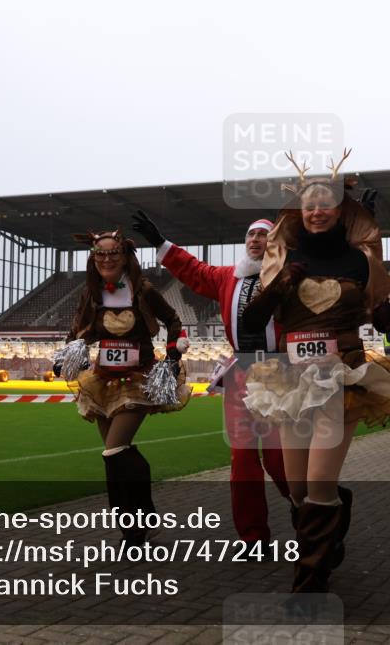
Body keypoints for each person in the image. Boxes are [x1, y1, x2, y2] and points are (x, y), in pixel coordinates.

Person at [240, 149, 390, 593]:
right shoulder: (283, 258)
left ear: (340, 209)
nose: (316, 211)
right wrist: (279, 286)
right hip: (293, 382)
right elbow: (253, 323)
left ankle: (310, 583)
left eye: (325, 203)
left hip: (342, 377)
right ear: (298, 209)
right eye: (309, 204)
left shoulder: (358, 261)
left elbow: (378, 310)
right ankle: (328, 530)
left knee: (318, 481)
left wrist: (389, 317)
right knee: (297, 488)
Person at [130, 210, 291, 544]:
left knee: (279, 460)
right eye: (250, 235)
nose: (255, 240)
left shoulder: (289, 277)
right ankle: (253, 538)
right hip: (241, 375)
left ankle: (305, 507)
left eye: (263, 235)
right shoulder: (226, 277)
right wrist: (160, 242)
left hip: (280, 374)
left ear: (275, 244)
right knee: (242, 460)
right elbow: (192, 270)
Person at [64, 228, 191, 545]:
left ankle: (142, 520)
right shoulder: (92, 293)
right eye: (100, 254)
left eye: (113, 253)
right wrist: (68, 354)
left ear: (125, 256)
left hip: (139, 378)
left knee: (115, 449)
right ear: (94, 258)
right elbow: (78, 329)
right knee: (115, 455)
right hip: (102, 380)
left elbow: (173, 319)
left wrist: (174, 354)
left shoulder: (143, 289)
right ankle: (134, 528)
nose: (106, 259)